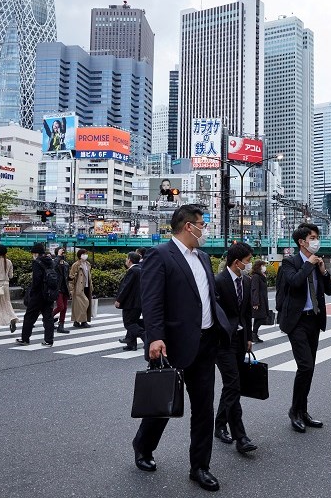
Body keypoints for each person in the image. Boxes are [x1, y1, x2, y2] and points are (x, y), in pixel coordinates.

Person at [133, 205, 231, 492]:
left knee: (203, 408)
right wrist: (155, 337)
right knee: (163, 404)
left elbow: (208, 297)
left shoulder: (202, 256)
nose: (206, 228)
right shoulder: (160, 255)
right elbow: (151, 300)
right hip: (172, 345)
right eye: (203, 223)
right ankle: (143, 445)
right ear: (189, 226)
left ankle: (200, 467)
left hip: (206, 343)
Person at [277, 222, 331, 433]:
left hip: (314, 320)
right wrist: (309, 264)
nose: (315, 241)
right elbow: (294, 282)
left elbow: (329, 291)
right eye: (312, 237)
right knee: (305, 366)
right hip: (297, 322)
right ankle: (294, 411)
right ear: (301, 242)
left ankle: (303, 410)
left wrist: (323, 271)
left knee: (309, 368)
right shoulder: (289, 262)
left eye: (316, 237)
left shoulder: (317, 262)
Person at [213, 242, 257, 454]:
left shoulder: (246, 281)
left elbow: (246, 312)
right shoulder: (218, 281)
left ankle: (220, 425)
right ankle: (241, 437)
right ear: (237, 262)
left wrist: (248, 337)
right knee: (233, 385)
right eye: (248, 261)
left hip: (240, 339)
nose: (250, 265)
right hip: (223, 341)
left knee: (231, 386)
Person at [16, 243, 57, 347]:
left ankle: (25, 339)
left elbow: (36, 280)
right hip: (49, 293)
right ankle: (49, 340)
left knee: (29, 316)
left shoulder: (37, 262)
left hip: (38, 294)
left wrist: (32, 292)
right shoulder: (51, 262)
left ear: (36, 253)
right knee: (48, 317)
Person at [116, 252, 144, 351]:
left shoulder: (132, 271)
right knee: (134, 321)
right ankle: (131, 344)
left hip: (131, 302)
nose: (126, 261)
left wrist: (119, 299)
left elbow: (126, 287)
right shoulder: (141, 269)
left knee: (129, 323)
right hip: (139, 302)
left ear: (130, 260)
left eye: (126, 259)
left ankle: (145, 336)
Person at [69, 249, 94, 328]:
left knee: (81, 305)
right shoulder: (76, 265)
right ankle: (83, 321)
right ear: (80, 255)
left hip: (87, 286)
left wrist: (91, 286)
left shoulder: (88, 264)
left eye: (86, 253)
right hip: (78, 288)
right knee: (83, 303)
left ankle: (77, 321)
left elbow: (89, 277)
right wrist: (71, 289)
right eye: (84, 254)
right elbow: (71, 278)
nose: (85, 255)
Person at [250, 259, 270, 343]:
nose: (264, 267)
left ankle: (254, 334)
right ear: (259, 267)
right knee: (261, 317)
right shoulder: (256, 276)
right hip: (259, 300)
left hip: (262, 299)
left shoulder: (261, 275)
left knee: (259, 318)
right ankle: (253, 334)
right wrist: (255, 302)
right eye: (263, 265)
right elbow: (255, 289)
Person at [52, 247, 71, 334]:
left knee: (65, 308)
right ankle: (48, 318)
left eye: (63, 252)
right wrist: (58, 256)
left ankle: (61, 325)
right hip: (57, 287)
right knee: (60, 306)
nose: (63, 254)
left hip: (65, 287)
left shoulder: (66, 264)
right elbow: (53, 267)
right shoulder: (54, 262)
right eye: (61, 252)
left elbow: (66, 276)